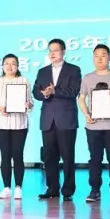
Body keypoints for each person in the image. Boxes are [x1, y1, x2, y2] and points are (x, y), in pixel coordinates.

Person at [77, 44, 110, 203]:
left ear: (109, 58)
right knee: (95, 159)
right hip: (93, 126)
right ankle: (95, 189)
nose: (100, 59)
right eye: (96, 56)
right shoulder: (87, 78)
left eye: (103, 55)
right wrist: (86, 114)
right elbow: (81, 98)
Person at [33, 38, 82, 201]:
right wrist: (44, 94)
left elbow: (74, 91)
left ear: (63, 52)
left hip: (66, 119)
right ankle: (52, 189)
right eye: (50, 50)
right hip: (48, 119)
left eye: (56, 50)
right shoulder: (42, 71)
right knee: (49, 156)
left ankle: (68, 190)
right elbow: (35, 92)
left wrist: (55, 91)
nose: (52, 53)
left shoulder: (73, 70)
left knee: (67, 156)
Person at [0, 54, 33, 200]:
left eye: (13, 63)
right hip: (2, 123)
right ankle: (6, 188)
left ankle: (18, 187)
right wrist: (1, 108)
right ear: (2, 66)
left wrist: (28, 105)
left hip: (19, 123)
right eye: (6, 63)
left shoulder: (24, 81)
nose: (9, 66)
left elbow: (30, 102)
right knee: (5, 155)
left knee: (18, 154)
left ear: (18, 66)